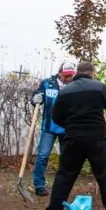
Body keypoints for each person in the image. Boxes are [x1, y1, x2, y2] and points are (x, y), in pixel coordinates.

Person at [43, 62, 106, 210]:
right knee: (104, 175)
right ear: (93, 73)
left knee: (65, 175)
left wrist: (71, 125)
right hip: (96, 139)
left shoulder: (65, 91)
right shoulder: (99, 87)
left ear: (77, 73)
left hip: (73, 139)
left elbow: (56, 117)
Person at [30, 62, 76, 196]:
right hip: (49, 127)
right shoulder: (47, 83)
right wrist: (35, 98)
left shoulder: (74, 87)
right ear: (60, 72)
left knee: (66, 158)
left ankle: (62, 186)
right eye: (66, 75)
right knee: (43, 156)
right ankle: (39, 185)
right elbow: (36, 96)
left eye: (71, 76)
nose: (68, 78)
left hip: (66, 128)